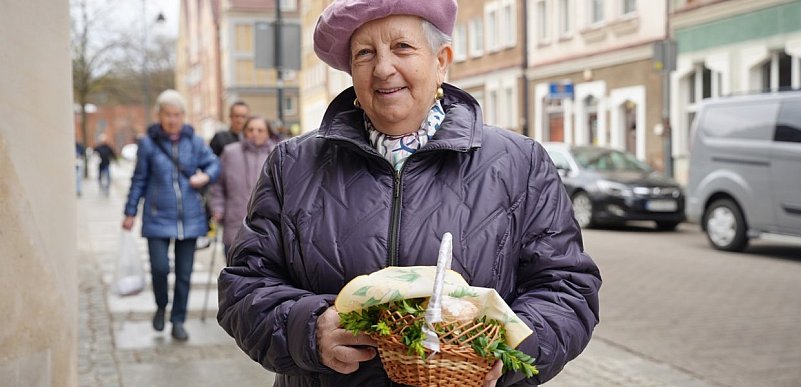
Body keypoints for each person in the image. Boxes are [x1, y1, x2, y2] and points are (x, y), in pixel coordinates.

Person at [217, 1, 601, 386]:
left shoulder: (520, 163)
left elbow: (567, 288)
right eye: (365, 53)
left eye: (402, 47)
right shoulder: (292, 164)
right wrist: (308, 330)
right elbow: (244, 288)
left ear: (441, 60)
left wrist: (508, 348)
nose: (383, 68)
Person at [122, 89, 220, 341]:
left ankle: (178, 320)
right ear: (159, 115)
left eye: (177, 115)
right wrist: (130, 211)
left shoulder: (195, 142)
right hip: (157, 216)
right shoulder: (148, 144)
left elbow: (213, 164)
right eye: (167, 115)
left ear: (183, 116)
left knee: (184, 274)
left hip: (190, 218)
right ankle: (161, 305)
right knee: (159, 268)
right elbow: (139, 179)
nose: (173, 119)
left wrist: (205, 175)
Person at [208, 116, 278, 257]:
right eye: (251, 129)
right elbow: (218, 185)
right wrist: (217, 208)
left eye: (260, 130)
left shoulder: (278, 153)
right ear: (244, 132)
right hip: (234, 221)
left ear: (268, 133)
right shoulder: (230, 152)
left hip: (268, 226)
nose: (255, 133)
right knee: (234, 270)